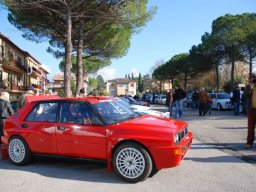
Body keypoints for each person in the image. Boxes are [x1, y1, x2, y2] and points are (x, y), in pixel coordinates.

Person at [244, 73, 256, 148]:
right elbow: (245, 94)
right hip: (252, 109)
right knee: (250, 127)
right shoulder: (249, 86)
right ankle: (249, 142)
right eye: (251, 79)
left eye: (253, 78)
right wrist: (250, 87)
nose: (252, 80)